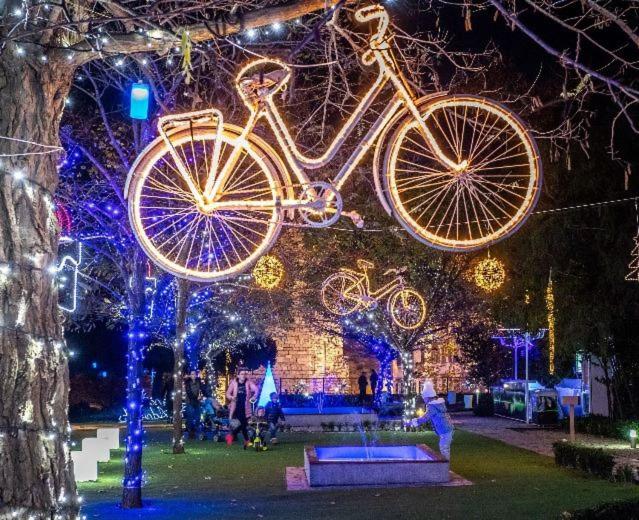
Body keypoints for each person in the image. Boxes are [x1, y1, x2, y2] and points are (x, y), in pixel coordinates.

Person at [411, 380, 454, 460]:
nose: (424, 400)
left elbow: (426, 417)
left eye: (424, 398)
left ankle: (445, 464)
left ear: (428, 397)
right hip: (447, 428)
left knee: (444, 448)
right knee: (444, 447)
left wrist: (416, 421)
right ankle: (445, 463)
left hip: (445, 430)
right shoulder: (438, 404)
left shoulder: (432, 406)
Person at [225, 366, 259, 448]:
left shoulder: (248, 382)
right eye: (242, 374)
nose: (244, 375)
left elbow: (256, 389)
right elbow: (227, 394)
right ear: (238, 375)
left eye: (245, 374)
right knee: (243, 423)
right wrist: (232, 397)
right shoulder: (233, 383)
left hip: (246, 406)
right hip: (236, 406)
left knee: (242, 424)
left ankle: (230, 436)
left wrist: (254, 396)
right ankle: (247, 441)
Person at [184, 370, 202, 439]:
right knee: (190, 417)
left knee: (198, 417)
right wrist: (196, 397)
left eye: (194, 374)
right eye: (192, 374)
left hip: (197, 402)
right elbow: (189, 392)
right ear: (190, 375)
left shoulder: (198, 382)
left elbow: (201, 390)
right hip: (190, 402)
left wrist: (200, 396)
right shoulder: (187, 382)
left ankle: (194, 430)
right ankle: (190, 431)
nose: (193, 375)